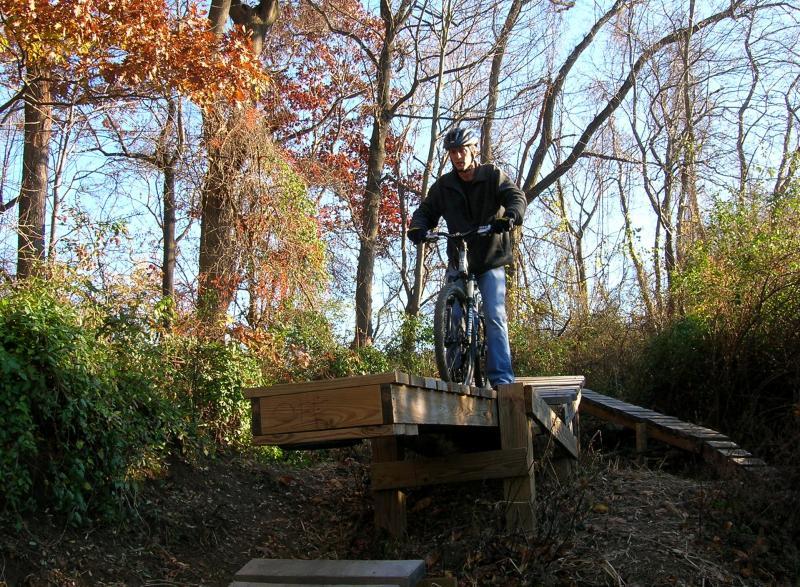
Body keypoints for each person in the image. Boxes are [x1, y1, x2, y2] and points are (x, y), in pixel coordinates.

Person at [407, 126, 527, 387]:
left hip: (490, 257)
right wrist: (418, 228)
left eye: (462, 150)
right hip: (459, 258)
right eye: (452, 152)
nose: (458, 156)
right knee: (453, 318)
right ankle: (458, 377)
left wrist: (509, 217)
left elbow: (515, 196)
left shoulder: (492, 175)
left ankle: (502, 380)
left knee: (495, 315)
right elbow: (426, 211)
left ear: (473, 150)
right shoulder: (444, 186)